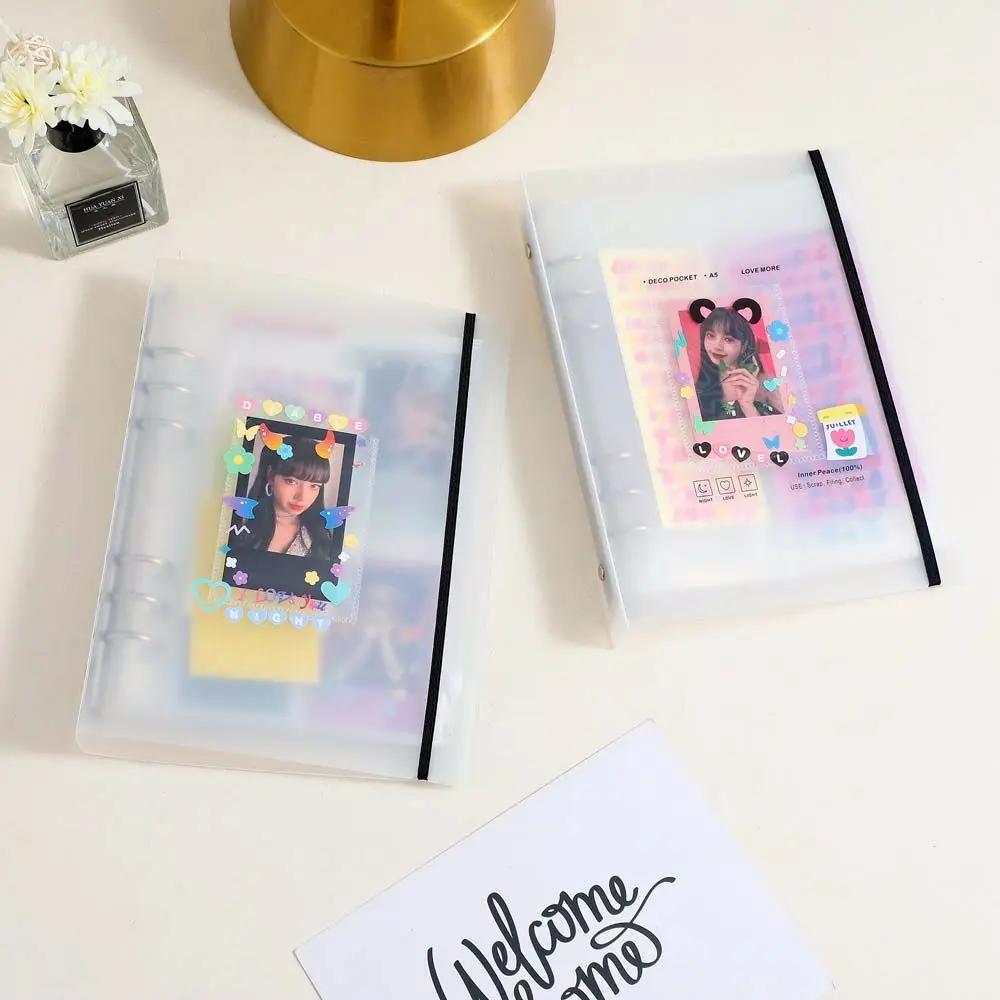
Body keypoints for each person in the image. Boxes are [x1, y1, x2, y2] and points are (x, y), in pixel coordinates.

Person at [234, 435, 335, 559]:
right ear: (271, 475)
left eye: (314, 486)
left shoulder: (320, 536)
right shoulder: (239, 521)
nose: (302, 497)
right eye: (291, 481)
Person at [690, 300, 783, 420]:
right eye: (710, 336)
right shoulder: (696, 388)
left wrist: (747, 406)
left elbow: (783, 427)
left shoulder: (768, 384)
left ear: (744, 345)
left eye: (728, 339)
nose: (717, 347)